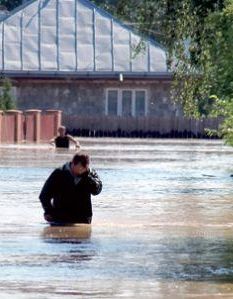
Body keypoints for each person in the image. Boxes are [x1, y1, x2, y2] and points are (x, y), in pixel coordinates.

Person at [39, 152, 102, 224]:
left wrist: (87, 177)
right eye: (80, 168)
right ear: (73, 164)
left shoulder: (90, 173)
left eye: (84, 169)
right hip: (61, 218)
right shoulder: (59, 173)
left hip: (83, 218)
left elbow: (96, 191)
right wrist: (49, 211)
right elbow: (44, 195)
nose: (81, 172)